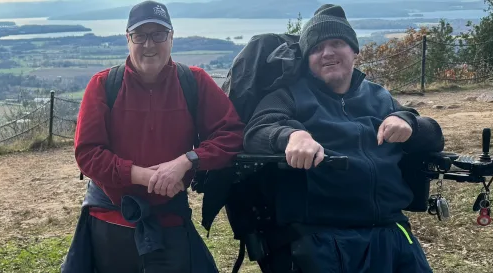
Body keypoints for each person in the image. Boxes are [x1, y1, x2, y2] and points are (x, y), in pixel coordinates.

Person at [241, 4, 444, 273]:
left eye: (337, 43)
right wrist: (291, 135)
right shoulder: (289, 96)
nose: (327, 53)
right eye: (316, 48)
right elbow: (256, 131)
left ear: (355, 52)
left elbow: (433, 136)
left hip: (390, 231)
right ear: (307, 59)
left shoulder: (379, 97)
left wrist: (409, 123)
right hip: (323, 237)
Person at [60, 1, 246, 272]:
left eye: (158, 34)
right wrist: (144, 176)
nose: (149, 44)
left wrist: (186, 161)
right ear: (128, 39)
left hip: (169, 219)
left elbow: (231, 135)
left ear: (171, 38)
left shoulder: (193, 82)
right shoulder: (102, 85)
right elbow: (87, 154)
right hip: (109, 222)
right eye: (140, 35)